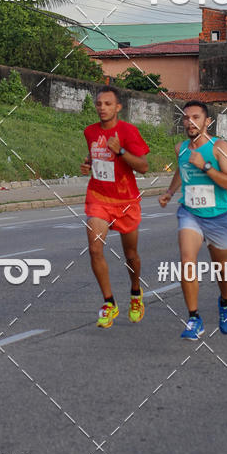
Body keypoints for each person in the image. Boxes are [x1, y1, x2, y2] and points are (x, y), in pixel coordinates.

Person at [158, 100, 227, 339]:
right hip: (190, 212)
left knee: (220, 267)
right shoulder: (181, 148)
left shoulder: (219, 147)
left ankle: (225, 303)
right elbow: (181, 170)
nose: (190, 122)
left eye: (195, 117)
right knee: (187, 261)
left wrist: (205, 166)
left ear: (207, 121)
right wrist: (170, 192)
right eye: (186, 117)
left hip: (218, 215)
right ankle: (194, 318)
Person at [81, 85, 149, 328]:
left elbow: (143, 166)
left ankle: (135, 293)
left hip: (126, 201)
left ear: (118, 107)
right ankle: (109, 303)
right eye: (99, 104)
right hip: (98, 198)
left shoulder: (128, 131)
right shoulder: (90, 131)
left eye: (108, 104)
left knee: (130, 255)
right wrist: (88, 164)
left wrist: (120, 151)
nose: (102, 108)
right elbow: (96, 156)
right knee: (94, 249)